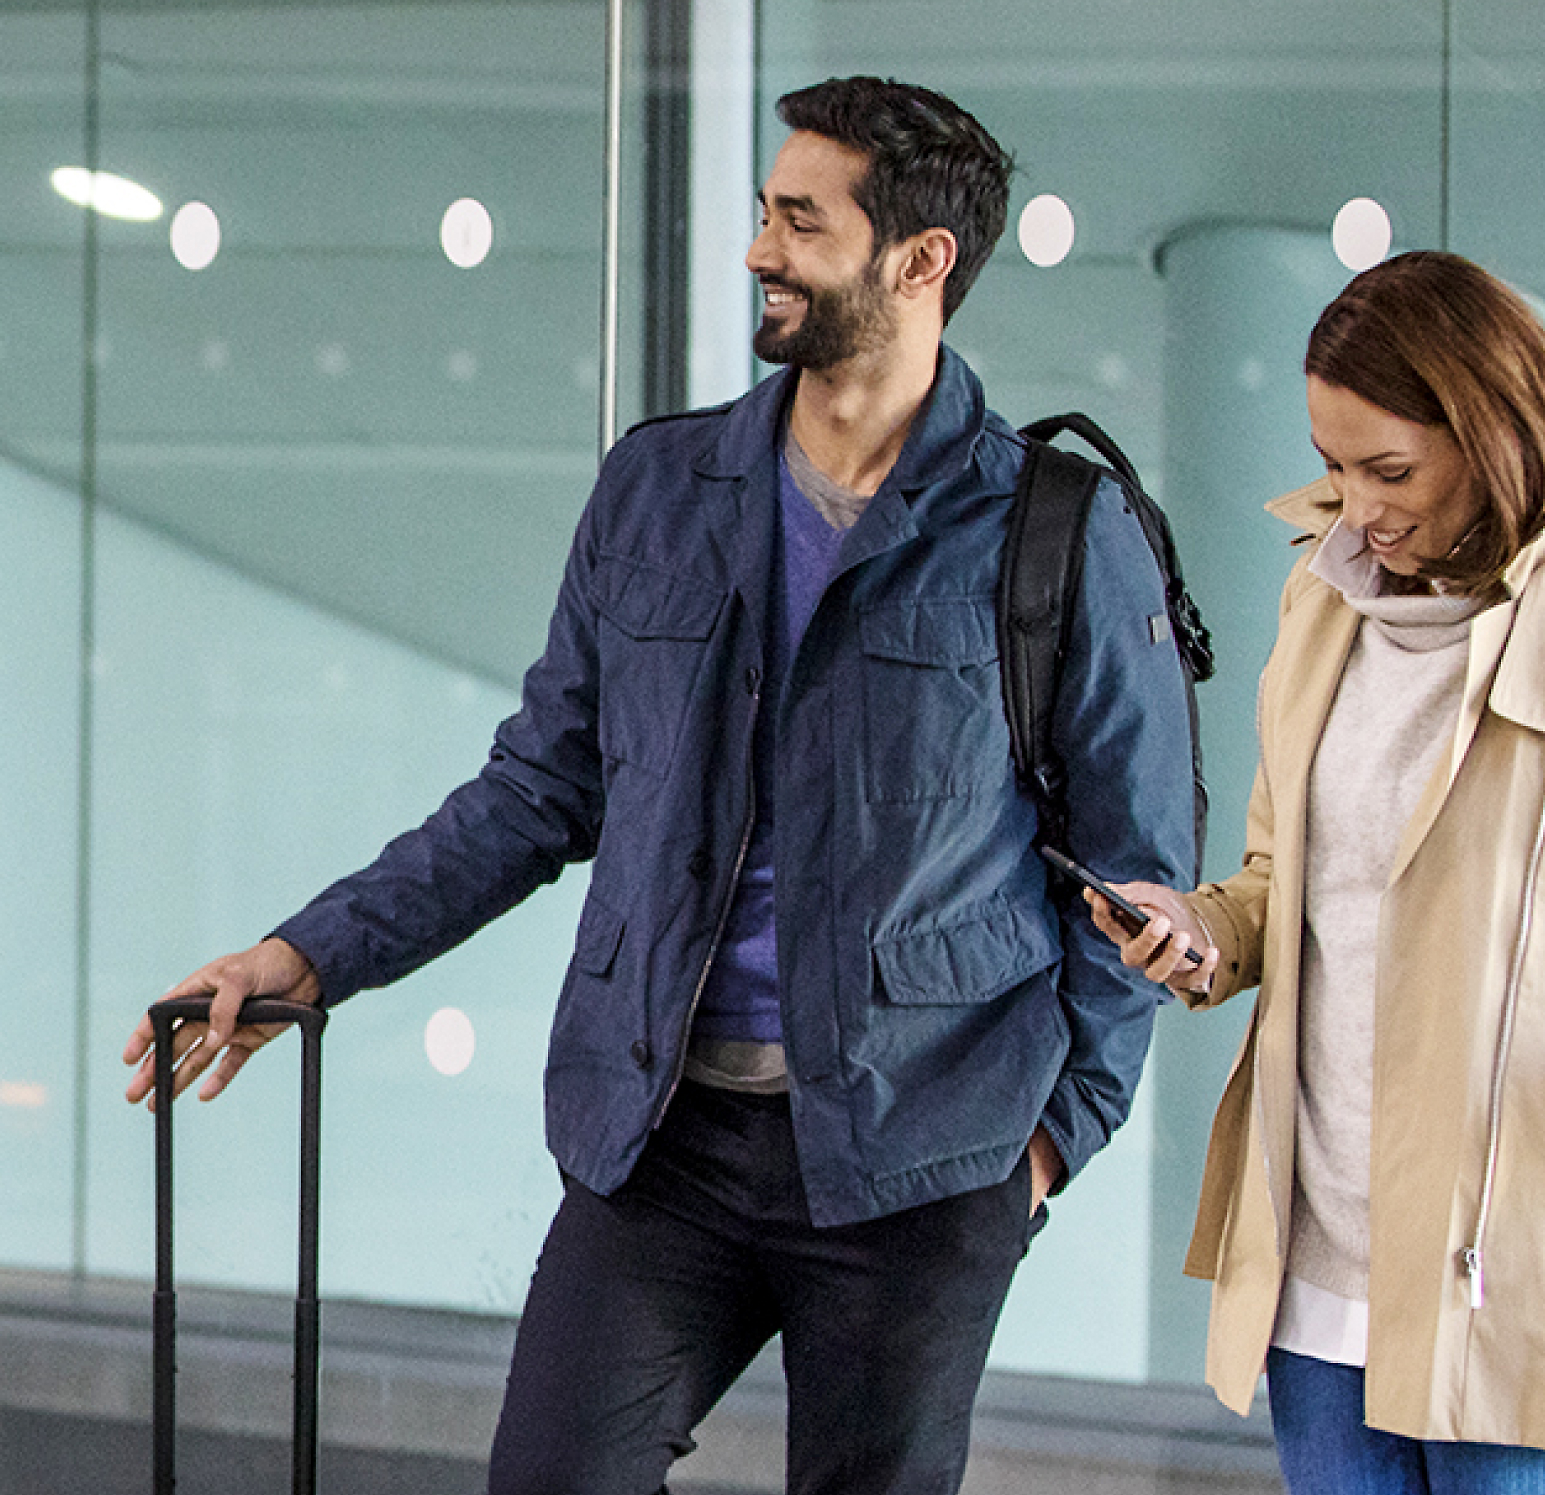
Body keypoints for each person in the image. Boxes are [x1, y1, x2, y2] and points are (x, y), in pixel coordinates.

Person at [123, 75, 1195, 1495]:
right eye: (764, 211)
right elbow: (536, 788)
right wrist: (314, 951)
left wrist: (1051, 1146)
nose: (760, 248)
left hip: (922, 1164)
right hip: (663, 1139)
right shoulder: (658, 488)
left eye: (801, 222)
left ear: (921, 261)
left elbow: (1138, 874)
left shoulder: (1062, 529)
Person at [1087, 250, 1545, 1494]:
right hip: (1318, 1253)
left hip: (1512, 1259)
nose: (1356, 506)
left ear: (1490, 434)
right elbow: (1281, 882)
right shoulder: (1321, 602)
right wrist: (1198, 929)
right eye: (1331, 465)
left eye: (1389, 469)